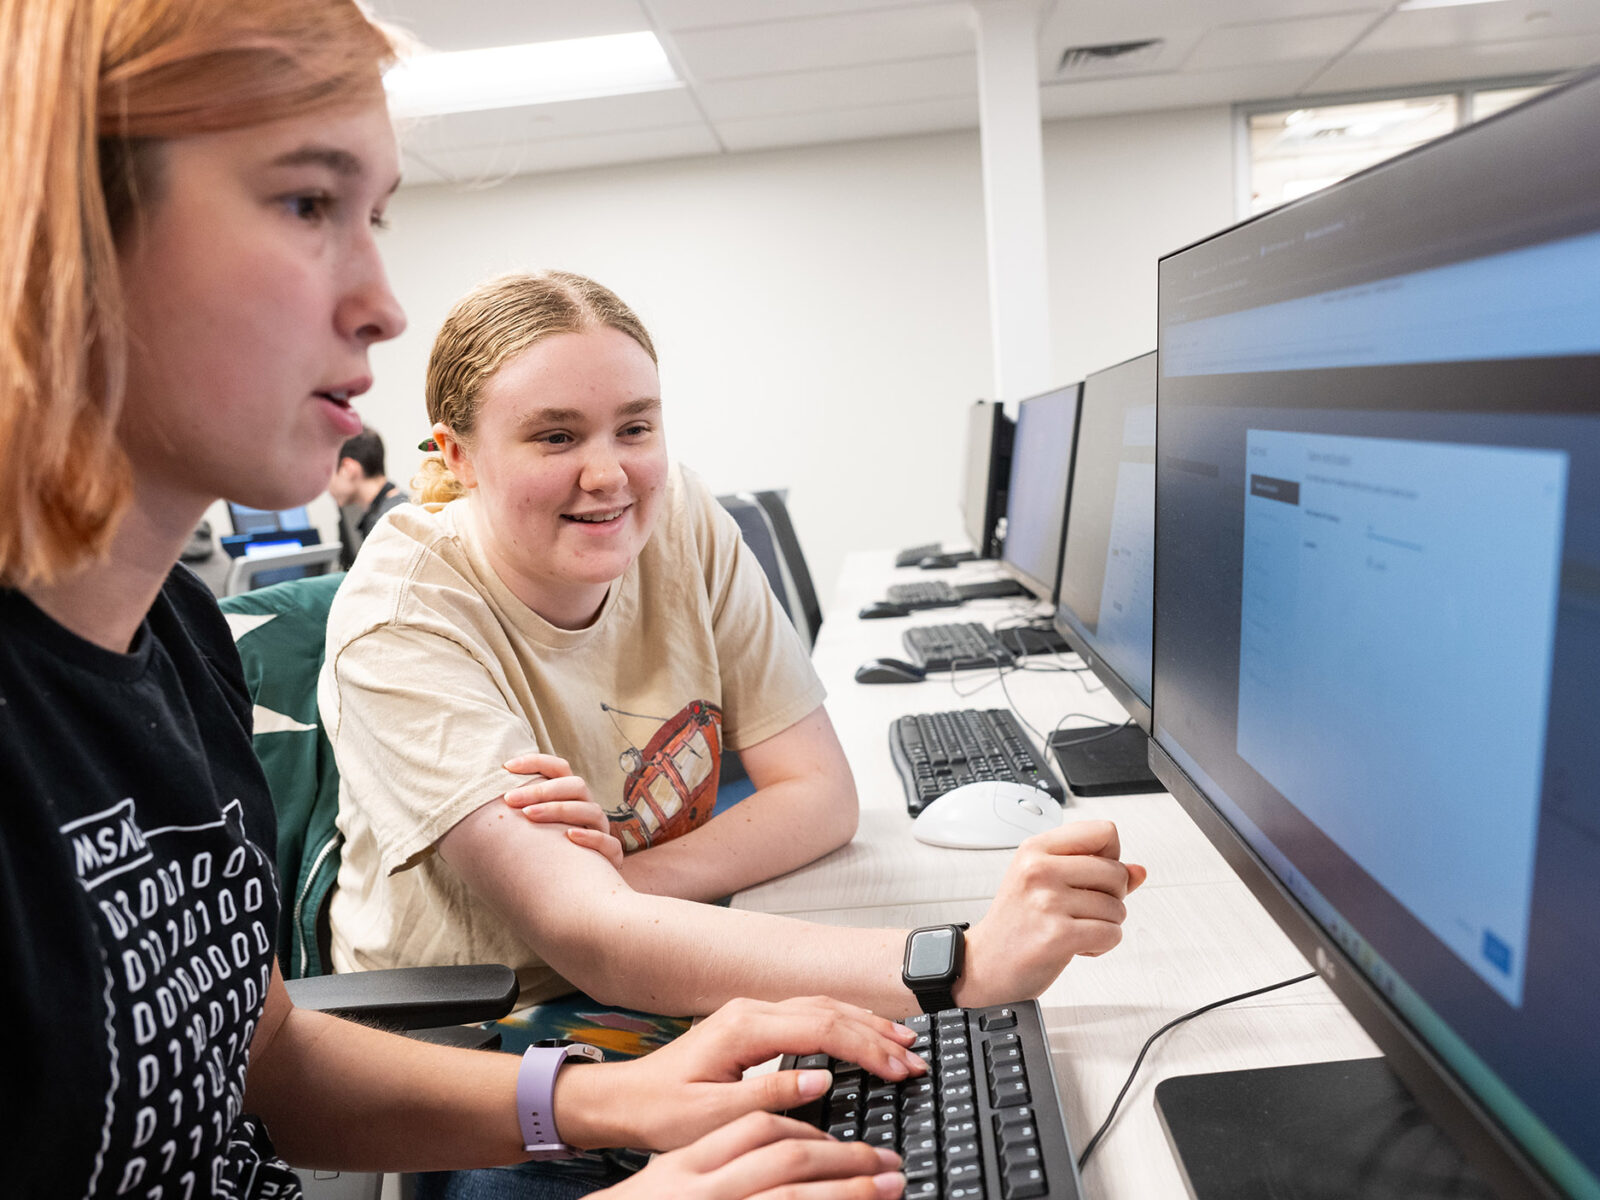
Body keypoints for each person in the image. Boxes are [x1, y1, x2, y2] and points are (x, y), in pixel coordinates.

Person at [0, 1, 927, 1196]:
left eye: (372, 215)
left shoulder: (171, 637)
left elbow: (262, 1051)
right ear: (53, 229)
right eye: (306, 204)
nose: (385, 303)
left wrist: (599, 1099)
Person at [321, 274, 1148, 1026]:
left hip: (665, 948)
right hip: (487, 1025)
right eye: (555, 437)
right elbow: (591, 941)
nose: (609, 474)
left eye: (635, 426)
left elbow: (821, 795)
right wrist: (959, 967)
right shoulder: (402, 620)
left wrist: (618, 887)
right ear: (458, 456)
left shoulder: (677, 517)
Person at [329, 424, 409, 566]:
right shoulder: (402, 505)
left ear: (348, 469)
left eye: (328, 472)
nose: (326, 485)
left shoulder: (386, 525)